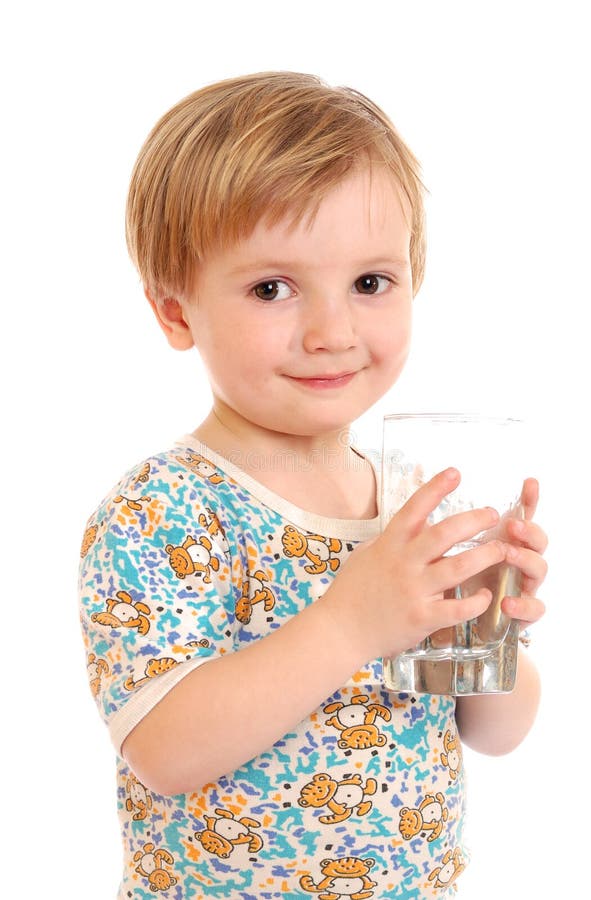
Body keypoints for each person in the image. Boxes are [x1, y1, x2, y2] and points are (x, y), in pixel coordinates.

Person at [79, 71, 547, 899]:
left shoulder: (411, 503)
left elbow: (495, 735)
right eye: (272, 288)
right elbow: (164, 752)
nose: (332, 332)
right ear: (176, 313)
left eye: (370, 283)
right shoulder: (165, 510)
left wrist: (485, 629)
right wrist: (350, 624)